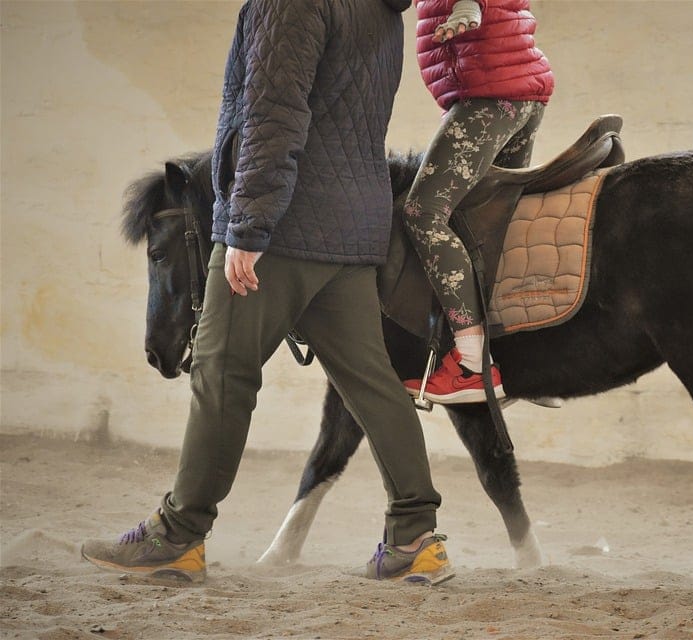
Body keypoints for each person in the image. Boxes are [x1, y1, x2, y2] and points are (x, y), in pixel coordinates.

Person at [81, 0, 454, 586]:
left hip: (283, 227)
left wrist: (248, 227)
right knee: (371, 380)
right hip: (353, 229)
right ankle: (415, 539)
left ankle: (177, 535)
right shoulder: (381, 11)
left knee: (220, 371)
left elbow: (272, 115)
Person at [400, 0, 554, 404]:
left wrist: (470, 5)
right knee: (490, 220)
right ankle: (524, 357)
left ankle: (471, 362)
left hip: (488, 92)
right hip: (514, 88)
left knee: (423, 213)